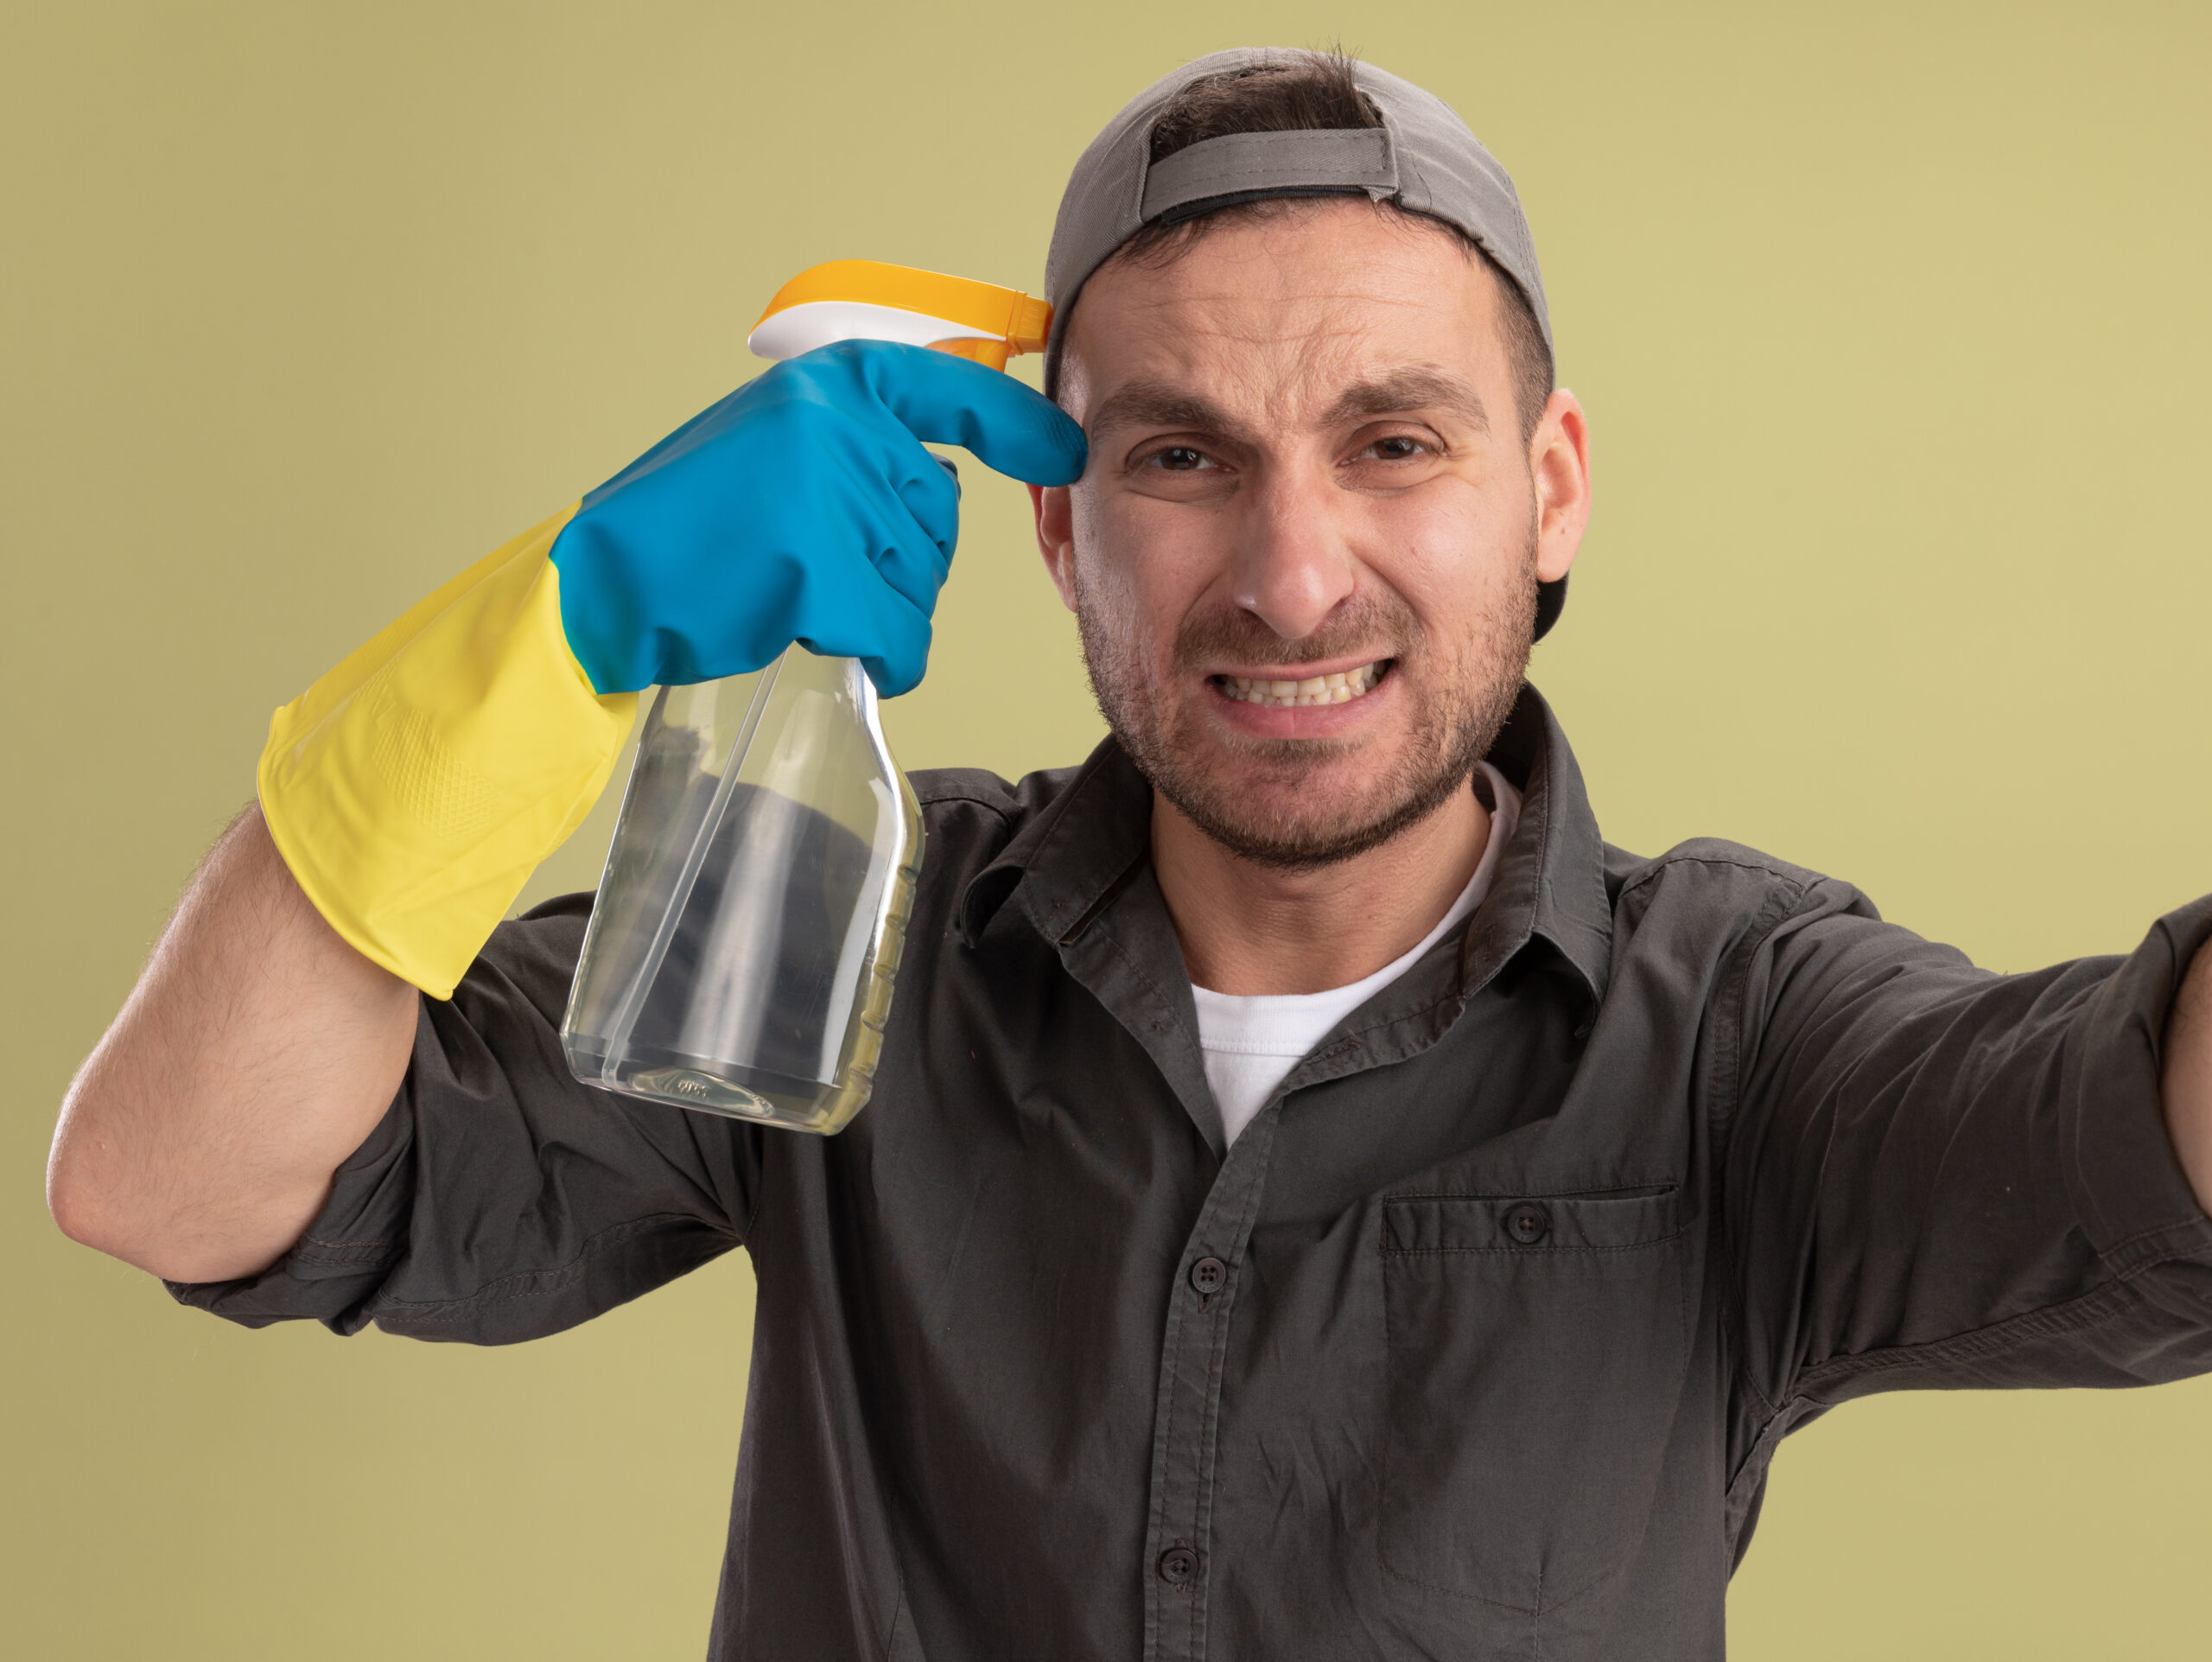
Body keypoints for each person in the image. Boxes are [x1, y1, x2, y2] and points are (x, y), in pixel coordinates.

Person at [45, 46, 2212, 1662]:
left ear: (1546, 488)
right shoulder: (843, 918)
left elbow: (2133, 1121)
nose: (1289, 575)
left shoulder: (1735, 1026)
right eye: (1181, 453)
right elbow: (177, 1173)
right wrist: (561, 633)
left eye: (1393, 442)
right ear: (1059, 523)